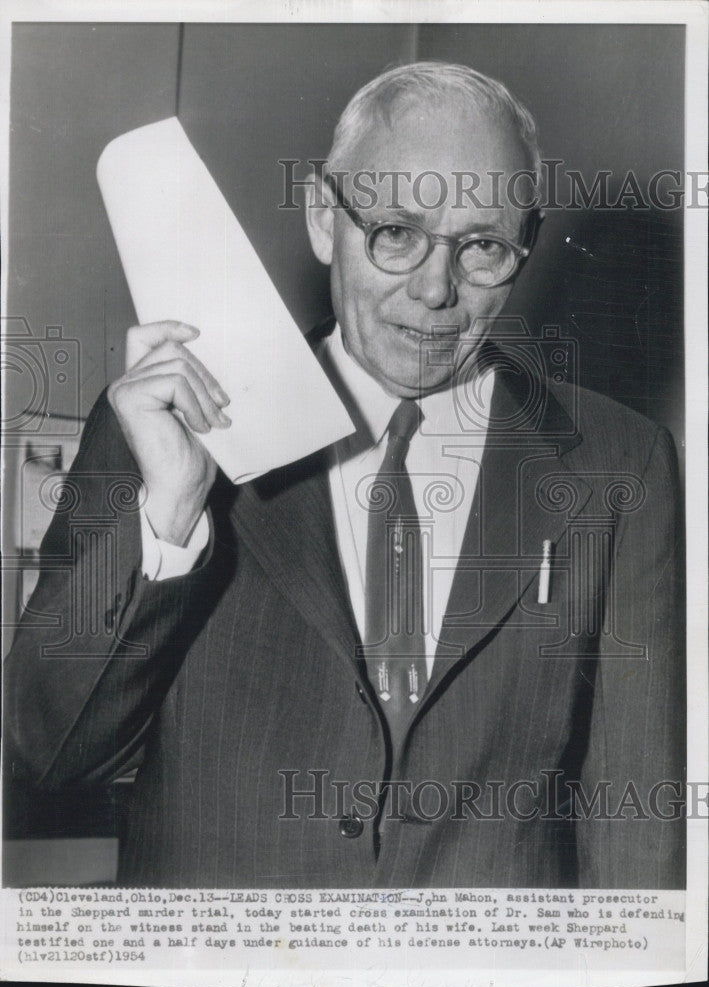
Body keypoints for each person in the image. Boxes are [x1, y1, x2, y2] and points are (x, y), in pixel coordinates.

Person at [5, 62, 685, 889]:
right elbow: (47, 754)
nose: (435, 291)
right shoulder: (160, 429)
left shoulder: (622, 461)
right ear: (326, 219)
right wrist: (174, 510)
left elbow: (635, 824)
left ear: (526, 245)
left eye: (482, 247)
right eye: (395, 231)